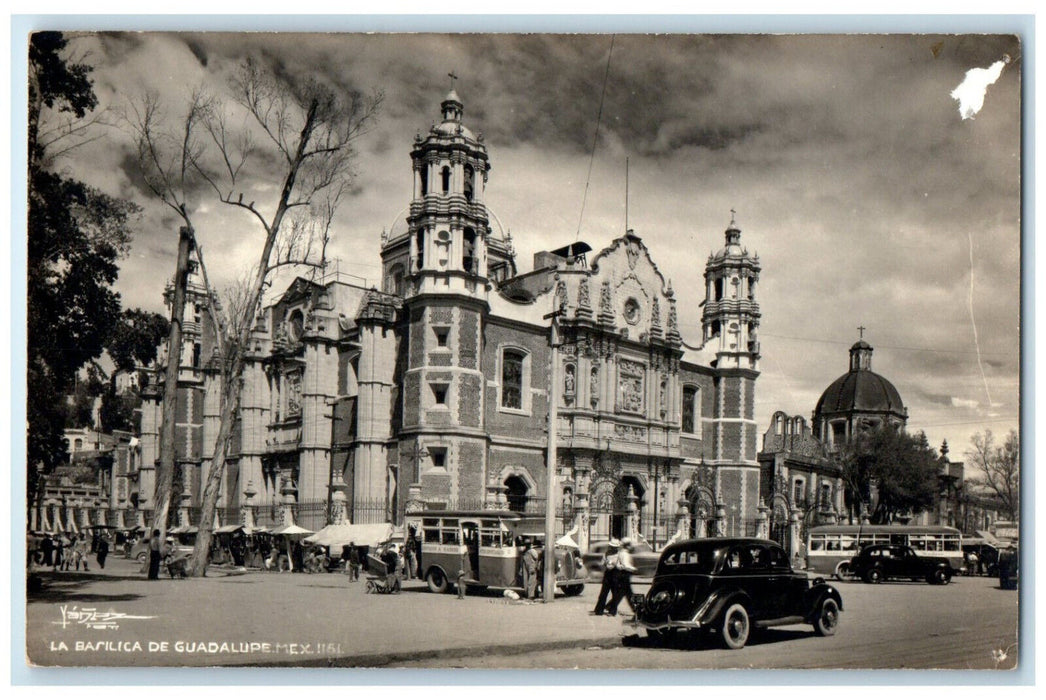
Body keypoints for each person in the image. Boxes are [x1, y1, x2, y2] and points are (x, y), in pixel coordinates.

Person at [607, 538, 637, 616]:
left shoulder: (622, 553)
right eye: (630, 545)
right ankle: (635, 609)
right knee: (626, 593)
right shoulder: (625, 554)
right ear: (627, 546)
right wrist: (633, 569)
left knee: (625, 593)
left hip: (623, 574)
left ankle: (610, 606)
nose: (631, 547)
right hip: (625, 574)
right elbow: (625, 565)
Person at [591, 539, 620, 615]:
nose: (613, 548)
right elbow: (602, 563)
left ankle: (613, 611)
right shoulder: (606, 553)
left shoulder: (619, 555)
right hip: (607, 574)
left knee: (615, 594)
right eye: (612, 546)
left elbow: (621, 565)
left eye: (614, 547)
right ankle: (599, 610)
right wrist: (605, 563)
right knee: (603, 593)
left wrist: (614, 564)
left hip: (615, 574)